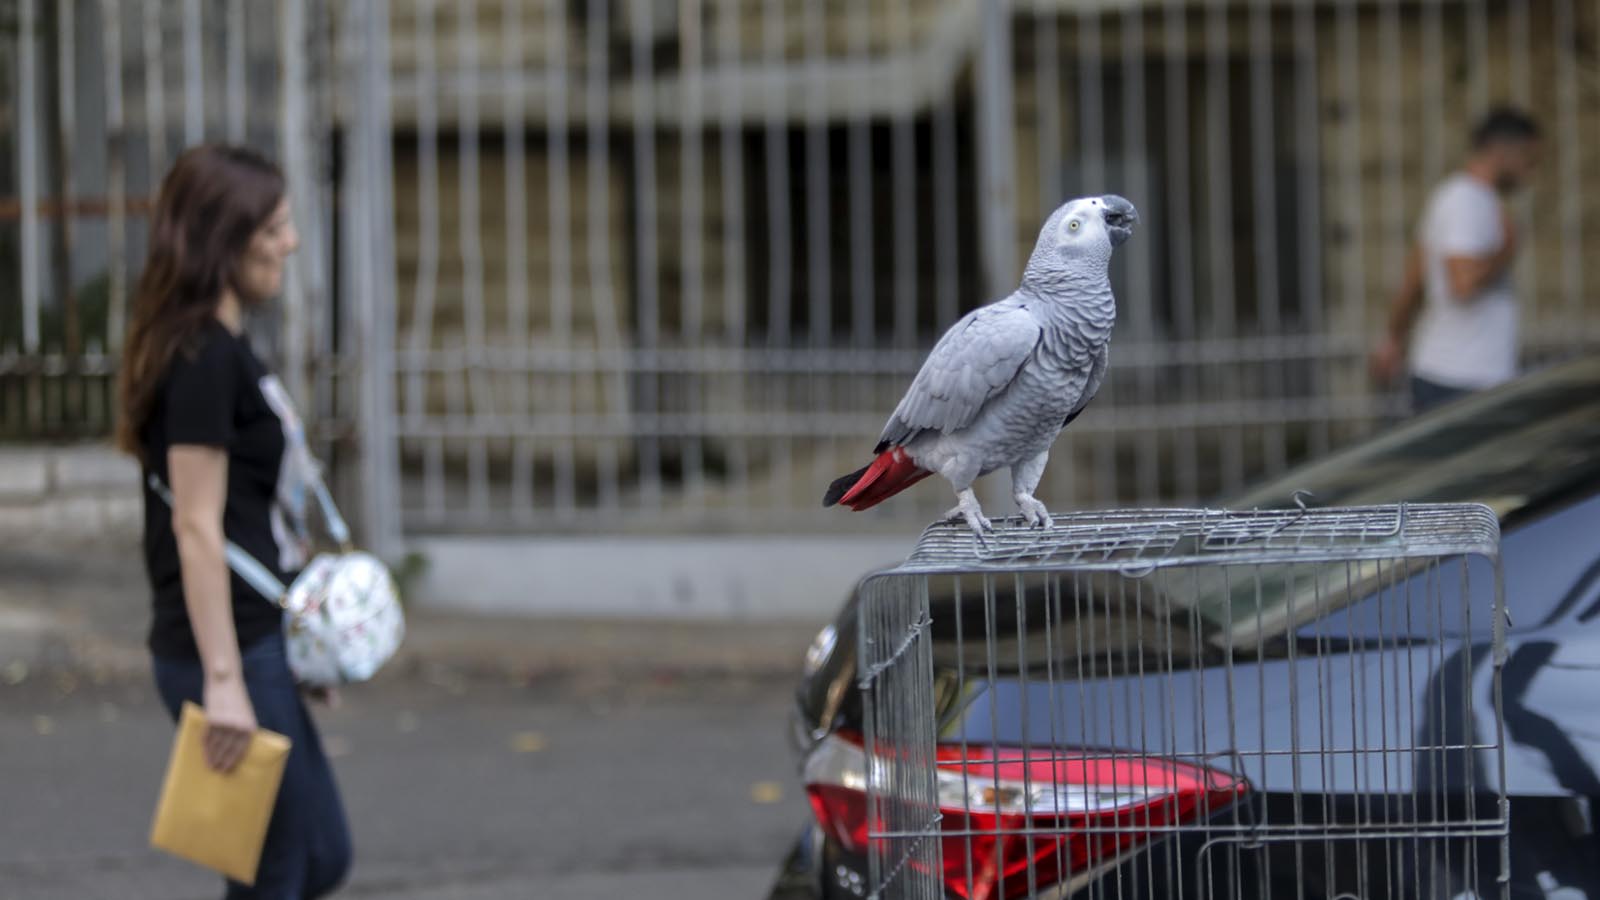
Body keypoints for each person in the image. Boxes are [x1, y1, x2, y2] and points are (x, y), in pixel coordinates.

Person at [115, 145, 351, 899]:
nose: (292, 242)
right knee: (275, 871)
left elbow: (245, 514)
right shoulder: (202, 362)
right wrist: (225, 682)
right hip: (224, 653)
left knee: (321, 856)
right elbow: (194, 525)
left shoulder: (223, 348)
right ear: (225, 238)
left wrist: (301, 641)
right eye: (275, 227)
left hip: (257, 639)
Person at [1372, 107, 1541, 413]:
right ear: (1503, 151)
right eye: (1528, 160)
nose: (1530, 172)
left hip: (1452, 375)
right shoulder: (1467, 201)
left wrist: (1392, 339)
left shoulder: (1457, 197)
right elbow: (1463, 284)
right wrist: (1507, 249)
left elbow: (1413, 280)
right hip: (1465, 379)